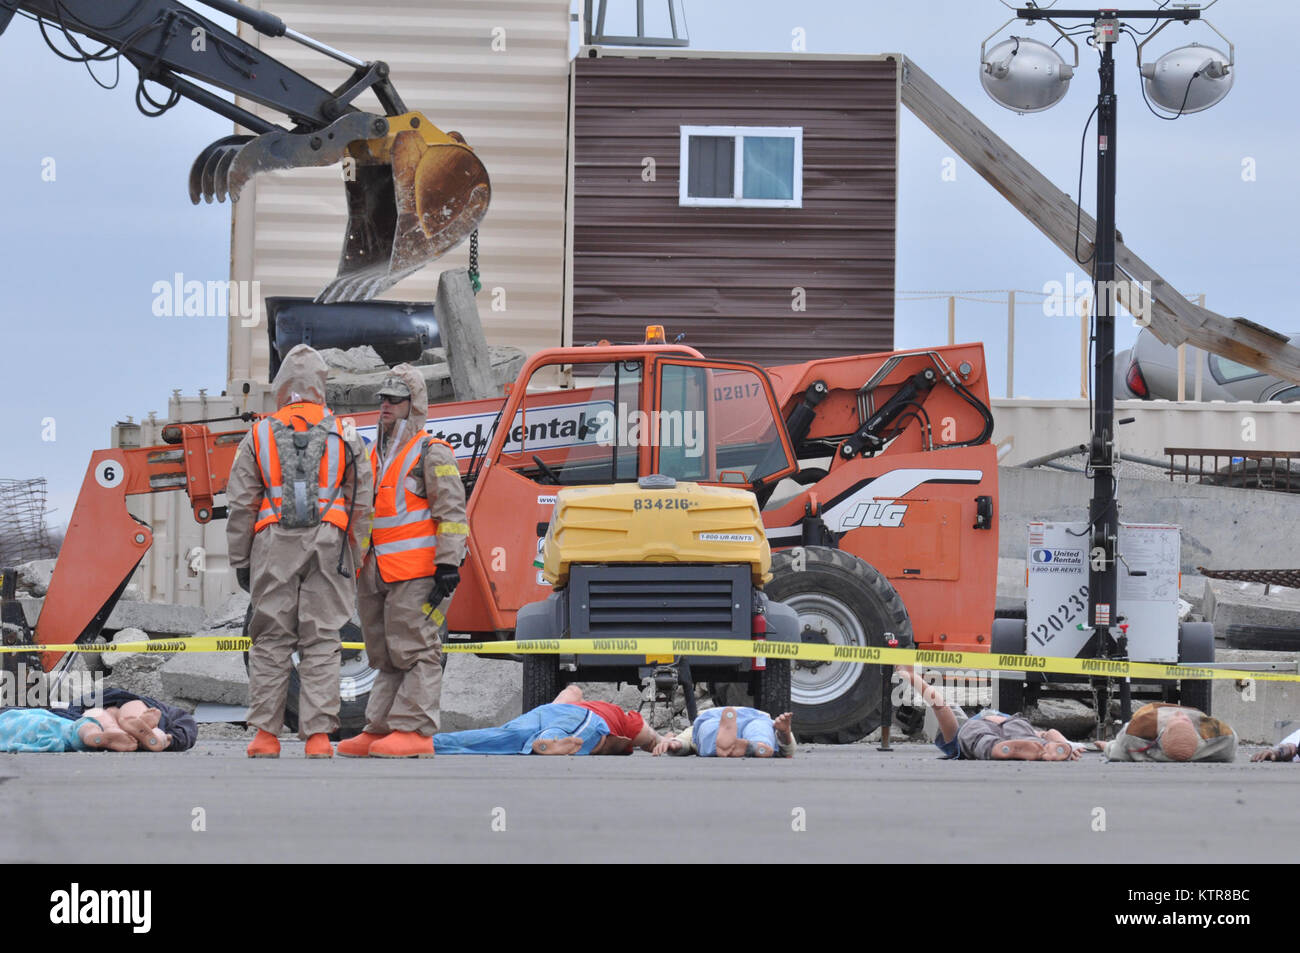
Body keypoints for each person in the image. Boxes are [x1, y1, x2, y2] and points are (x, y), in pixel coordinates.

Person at [226, 344, 372, 759]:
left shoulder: (257, 435)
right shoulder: (346, 433)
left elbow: (241, 503)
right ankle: (319, 739)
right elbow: (362, 501)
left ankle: (265, 737)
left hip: (274, 546)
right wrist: (355, 555)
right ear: (321, 386)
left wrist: (241, 560)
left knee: (271, 639)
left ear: (282, 387)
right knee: (323, 638)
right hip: (330, 546)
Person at [337, 364, 468, 759]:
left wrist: (448, 565)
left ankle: (415, 731)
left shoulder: (432, 450)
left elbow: (453, 513)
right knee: (385, 654)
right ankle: (382, 727)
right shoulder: (375, 456)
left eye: (395, 399)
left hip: (418, 574)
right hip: (378, 574)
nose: (386, 405)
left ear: (414, 404)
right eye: (383, 398)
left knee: (416, 650)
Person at [897, 668, 1081, 760]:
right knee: (1037, 738)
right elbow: (1048, 732)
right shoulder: (987, 717)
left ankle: (1002, 748)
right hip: (1011, 722)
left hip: (979, 732)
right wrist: (1065, 744)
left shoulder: (957, 738)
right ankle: (1044, 748)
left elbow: (940, 706)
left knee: (985, 744)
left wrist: (911, 676)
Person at [431, 686, 667, 755]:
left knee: (500, 735)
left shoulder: (574, 697)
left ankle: (432, 743)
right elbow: (650, 737)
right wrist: (661, 739)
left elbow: (573, 690)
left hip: (543, 713)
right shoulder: (616, 714)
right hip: (582, 719)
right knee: (572, 733)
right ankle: (549, 742)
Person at [0, 688, 197, 752]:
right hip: (139, 707)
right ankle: (156, 736)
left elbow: (67, 714)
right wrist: (174, 738)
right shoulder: (157, 707)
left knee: (93, 719)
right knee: (132, 710)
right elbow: (186, 724)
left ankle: (108, 732)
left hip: (92, 712)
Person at [1104, 702, 1237, 762]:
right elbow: (1232, 739)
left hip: (1151, 712)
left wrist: (1106, 747)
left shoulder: (1138, 731)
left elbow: (1118, 751)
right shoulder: (1219, 737)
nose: (1179, 714)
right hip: (1161, 711)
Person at [654, 706, 796, 758]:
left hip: (713, 716)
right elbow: (788, 752)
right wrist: (784, 733)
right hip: (757, 716)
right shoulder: (768, 721)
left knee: (708, 733)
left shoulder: (696, 725)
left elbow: (684, 741)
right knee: (761, 732)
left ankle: (721, 745)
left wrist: (674, 744)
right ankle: (757, 745)